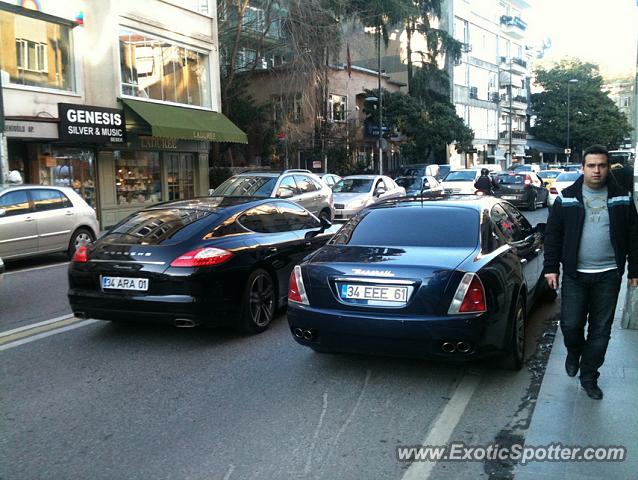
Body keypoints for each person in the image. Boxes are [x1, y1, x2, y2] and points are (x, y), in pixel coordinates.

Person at [544, 144, 638, 399]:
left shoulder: (622, 197)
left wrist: (633, 272)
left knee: (601, 331)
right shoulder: (567, 197)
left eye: (602, 165)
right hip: (575, 274)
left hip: (608, 275)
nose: (597, 170)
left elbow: (634, 236)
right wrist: (551, 268)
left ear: (608, 168)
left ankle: (589, 376)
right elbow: (553, 235)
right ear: (583, 168)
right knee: (571, 325)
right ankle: (574, 352)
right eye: (591, 165)